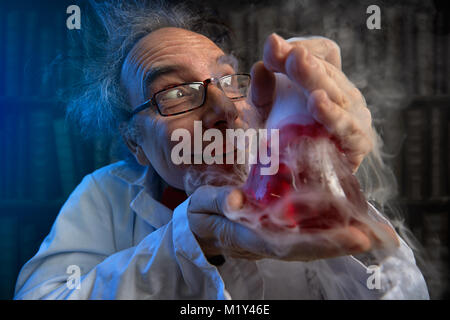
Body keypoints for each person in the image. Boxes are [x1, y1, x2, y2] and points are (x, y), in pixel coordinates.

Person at [14, 1, 429, 299]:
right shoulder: (105, 194)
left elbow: (407, 292)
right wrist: (190, 243)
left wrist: (329, 177)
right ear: (134, 142)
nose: (225, 111)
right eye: (176, 92)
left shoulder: (288, 172)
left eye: (230, 83)